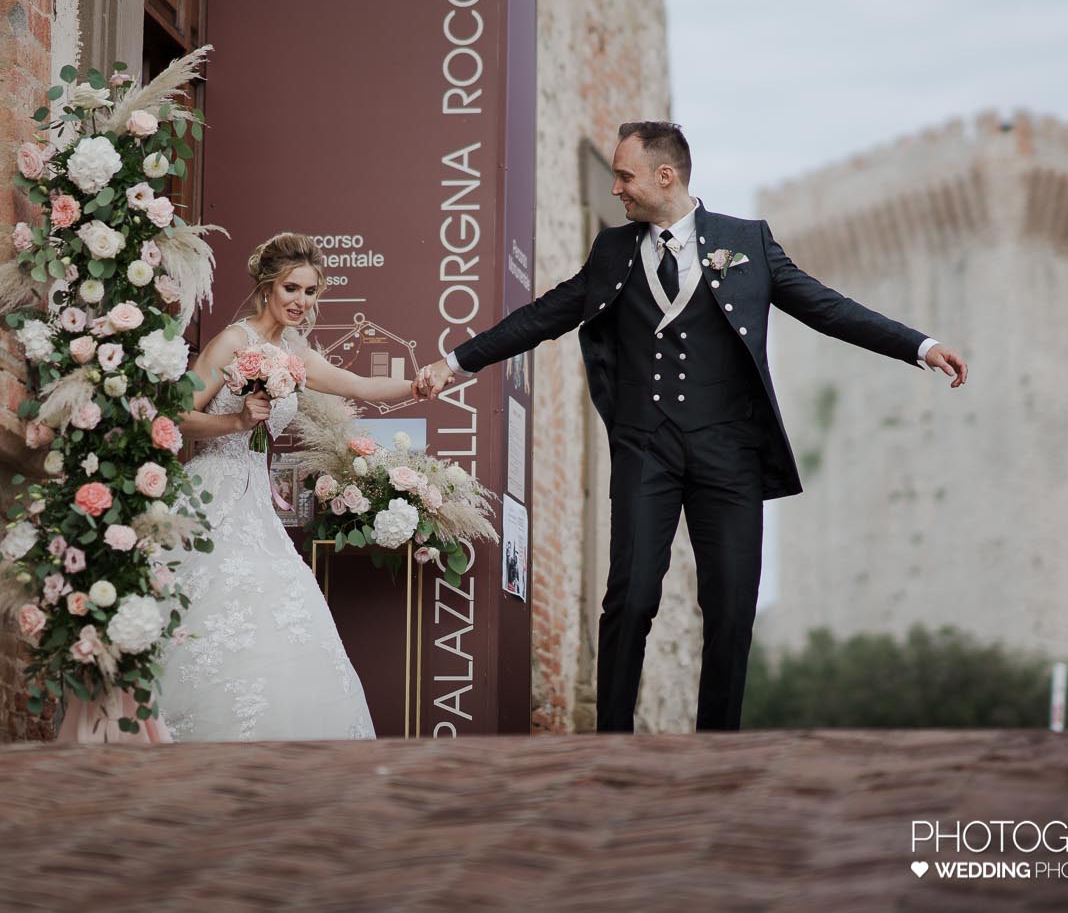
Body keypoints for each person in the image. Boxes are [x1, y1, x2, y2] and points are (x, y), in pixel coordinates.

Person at [419, 122, 967, 732]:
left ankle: (718, 748)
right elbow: (546, 314)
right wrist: (455, 363)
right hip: (644, 447)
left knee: (732, 606)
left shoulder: (748, 243)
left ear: (665, 175)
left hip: (729, 452)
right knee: (630, 595)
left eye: (624, 176)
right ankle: (612, 739)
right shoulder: (613, 251)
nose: (616, 188)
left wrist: (920, 345)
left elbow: (828, 308)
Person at [157, 232, 434, 740]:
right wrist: (236, 423)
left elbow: (360, 386)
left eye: (310, 292)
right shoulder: (234, 342)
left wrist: (417, 384)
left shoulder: (293, 354)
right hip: (210, 495)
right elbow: (173, 418)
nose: (301, 301)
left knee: (278, 618)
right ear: (267, 288)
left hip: (256, 505)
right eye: (292, 288)